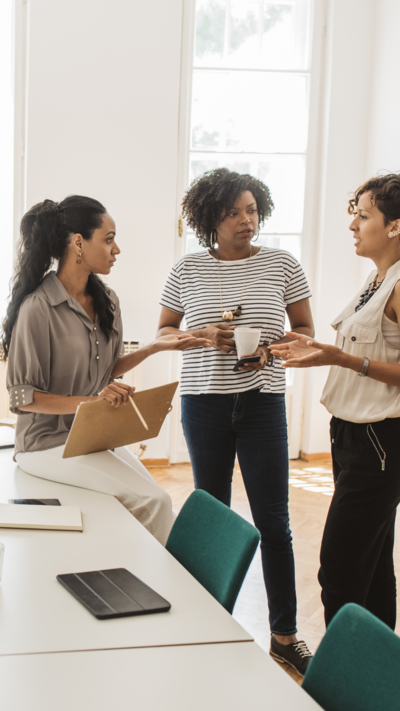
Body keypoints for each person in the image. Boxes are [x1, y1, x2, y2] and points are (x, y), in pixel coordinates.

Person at [157, 168, 315, 675]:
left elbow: (306, 330)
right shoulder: (186, 271)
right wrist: (204, 334)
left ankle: (285, 634)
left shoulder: (282, 264)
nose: (246, 220)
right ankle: (208, 623)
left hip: (263, 402)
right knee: (214, 516)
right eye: (233, 212)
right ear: (209, 219)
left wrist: (269, 351)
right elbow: (163, 333)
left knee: (275, 521)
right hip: (204, 404)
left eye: (251, 209)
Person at [2, 196, 209, 546]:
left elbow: (106, 369)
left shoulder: (107, 299)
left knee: (156, 501)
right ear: (78, 243)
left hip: (92, 435)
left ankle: (149, 576)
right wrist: (92, 402)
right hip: (44, 446)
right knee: (154, 502)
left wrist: (155, 347)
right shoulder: (37, 307)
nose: (117, 250)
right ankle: (174, 586)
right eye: (109, 239)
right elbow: (23, 397)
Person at [271, 173, 400, 629]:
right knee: (373, 563)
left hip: (380, 440)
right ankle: (379, 681)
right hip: (351, 434)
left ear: (395, 226)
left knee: (341, 570)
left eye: (363, 216)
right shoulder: (377, 278)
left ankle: (342, 685)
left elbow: (360, 360)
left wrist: (341, 358)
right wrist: (320, 353)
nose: (353, 226)